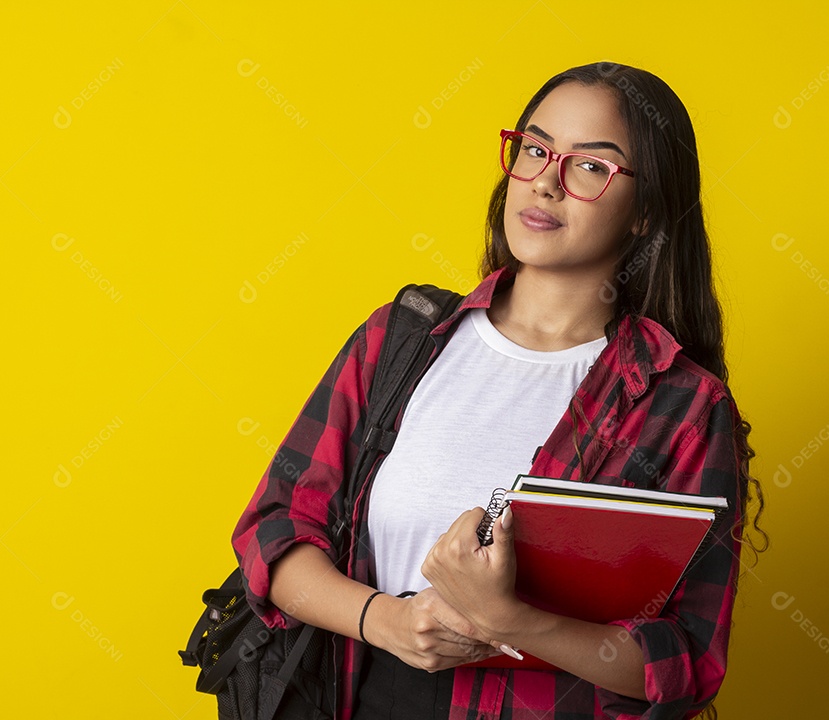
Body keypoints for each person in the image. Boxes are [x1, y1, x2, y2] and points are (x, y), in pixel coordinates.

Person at [231, 60, 768, 720]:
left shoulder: (681, 405)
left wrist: (510, 620)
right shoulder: (400, 339)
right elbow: (275, 534)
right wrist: (388, 622)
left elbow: (686, 662)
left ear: (646, 212)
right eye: (535, 149)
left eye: (590, 166)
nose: (545, 181)